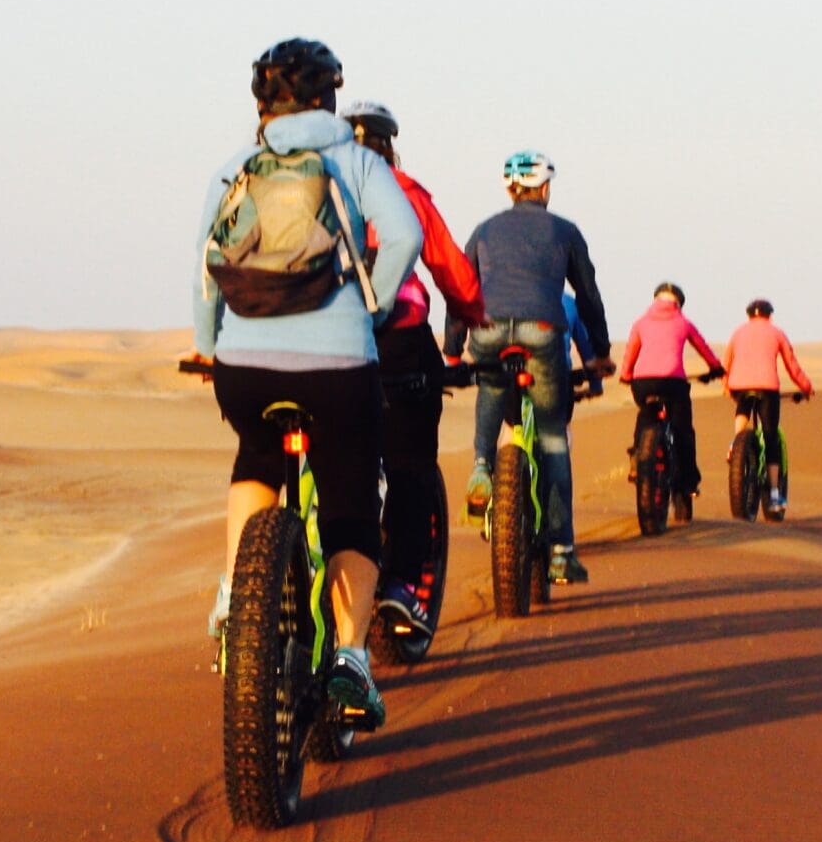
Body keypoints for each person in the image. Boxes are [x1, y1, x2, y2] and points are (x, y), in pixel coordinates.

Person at [191, 39, 420, 728]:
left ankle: (236, 597)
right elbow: (404, 236)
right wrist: (371, 307)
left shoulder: (237, 167)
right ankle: (351, 657)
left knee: (256, 458)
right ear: (328, 99)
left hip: (245, 369)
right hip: (338, 368)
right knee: (350, 501)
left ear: (263, 104)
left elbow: (206, 262)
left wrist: (213, 345)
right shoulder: (357, 160)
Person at [341, 100, 485, 645]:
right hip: (397, 338)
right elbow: (449, 267)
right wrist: (473, 313)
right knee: (411, 462)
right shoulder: (403, 191)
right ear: (389, 148)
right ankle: (403, 585)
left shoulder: (316, 186)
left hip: (320, 338)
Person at [458, 149, 613, 584]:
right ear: (543, 187)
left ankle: (481, 466)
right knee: (552, 438)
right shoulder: (565, 230)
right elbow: (588, 296)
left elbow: (464, 287)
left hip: (488, 328)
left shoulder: (484, 229)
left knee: (492, 387)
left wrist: (453, 347)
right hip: (543, 330)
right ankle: (562, 552)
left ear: (511, 189)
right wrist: (599, 351)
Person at [616, 282, 725, 521]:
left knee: (645, 415)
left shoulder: (641, 322)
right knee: (683, 431)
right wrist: (715, 368)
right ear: (679, 303)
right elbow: (703, 348)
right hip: (673, 383)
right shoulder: (683, 322)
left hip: (643, 383)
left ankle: (637, 457)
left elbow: (630, 352)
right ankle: (687, 483)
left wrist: (626, 375)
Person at [722, 297, 814, 518]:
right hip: (767, 388)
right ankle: (773, 493)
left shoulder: (738, 333)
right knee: (771, 437)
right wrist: (806, 387)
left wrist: (727, 387)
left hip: (740, 386)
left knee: (743, 406)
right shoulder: (776, 332)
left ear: (749, 315)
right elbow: (792, 365)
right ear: (769, 315)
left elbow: (726, 363)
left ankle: (736, 443)